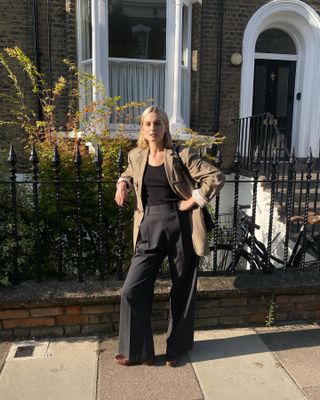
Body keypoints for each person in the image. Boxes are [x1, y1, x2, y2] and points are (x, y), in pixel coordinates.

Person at [114, 105, 225, 367]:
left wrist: (194, 200)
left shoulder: (180, 155)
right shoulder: (136, 155)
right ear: (142, 128)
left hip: (180, 224)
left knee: (182, 287)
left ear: (165, 127)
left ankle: (177, 348)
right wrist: (122, 184)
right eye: (148, 124)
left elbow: (216, 176)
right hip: (148, 225)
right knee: (131, 289)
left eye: (158, 124)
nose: (152, 128)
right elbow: (130, 173)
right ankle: (137, 350)